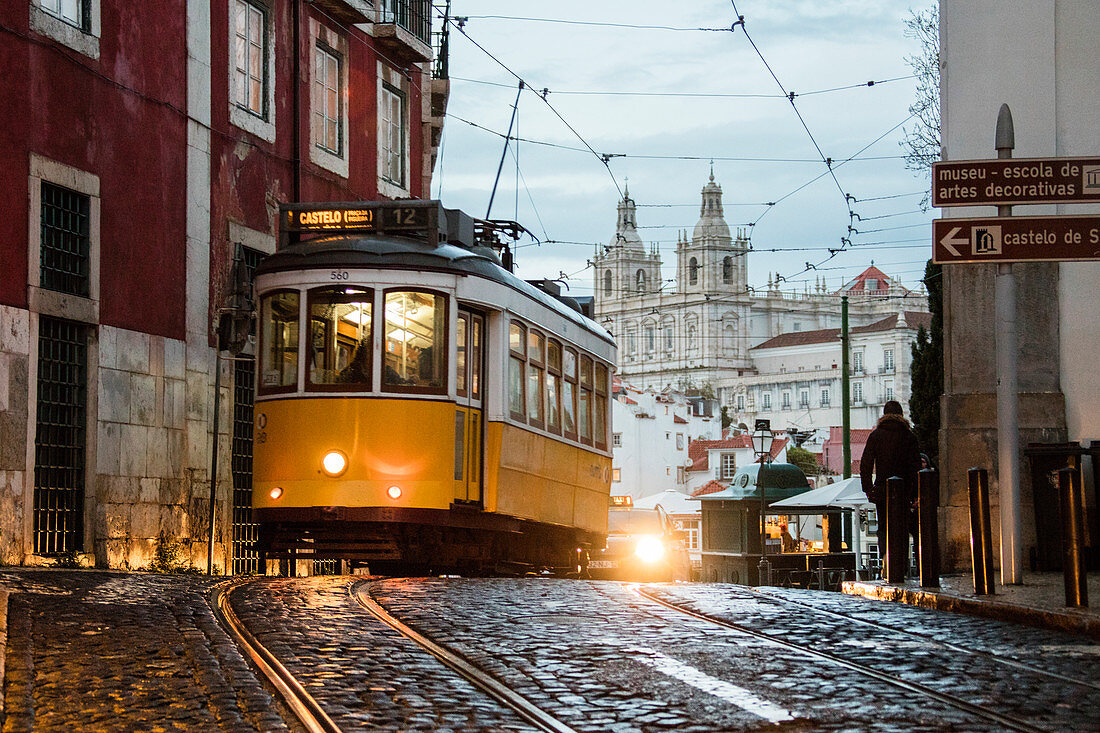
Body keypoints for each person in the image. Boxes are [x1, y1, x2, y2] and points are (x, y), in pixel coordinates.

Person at [860, 400, 922, 570]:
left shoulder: (876, 435)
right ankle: (900, 564)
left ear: (884, 415)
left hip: (882, 489)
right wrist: (916, 493)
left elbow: (866, 463)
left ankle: (886, 560)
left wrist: (868, 489)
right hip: (904, 490)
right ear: (901, 415)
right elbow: (915, 467)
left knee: (883, 527)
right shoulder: (909, 437)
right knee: (901, 527)